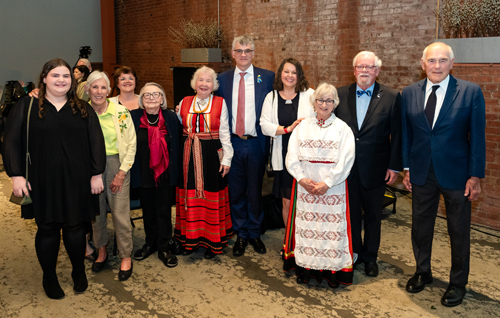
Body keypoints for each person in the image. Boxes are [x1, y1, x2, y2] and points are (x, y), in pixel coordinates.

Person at [2, 58, 106, 299]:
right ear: (45, 78)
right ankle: (49, 277)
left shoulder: (83, 107)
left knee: (75, 228)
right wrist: (16, 175)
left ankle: (78, 271)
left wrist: (96, 173)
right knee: (47, 229)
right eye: (56, 75)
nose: (61, 80)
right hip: (41, 180)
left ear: (72, 80)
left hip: (77, 180)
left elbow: (96, 142)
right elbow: (11, 141)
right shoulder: (26, 107)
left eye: (66, 76)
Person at [402, 42, 485, 307]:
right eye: (432, 61)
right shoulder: (409, 93)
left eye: (442, 61)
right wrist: (406, 168)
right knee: (420, 227)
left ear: (452, 63)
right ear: (423, 63)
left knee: (458, 231)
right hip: (421, 172)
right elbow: (407, 134)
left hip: (458, 174)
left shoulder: (470, 92)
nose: (436, 66)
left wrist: (475, 175)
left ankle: (458, 283)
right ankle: (422, 272)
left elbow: (477, 137)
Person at [335, 51, 402, 277]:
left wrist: (394, 166)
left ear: (377, 70)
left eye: (370, 67)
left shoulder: (392, 97)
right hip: (346, 170)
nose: (365, 70)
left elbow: (398, 135)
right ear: (354, 70)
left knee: (374, 216)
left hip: (376, 169)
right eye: (360, 66)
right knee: (351, 215)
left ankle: (370, 257)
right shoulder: (339, 95)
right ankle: (353, 253)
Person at [283, 83, 355, 288]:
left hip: (333, 188)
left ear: (335, 104)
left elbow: (346, 160)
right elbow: (292, 155)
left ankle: (330, 272)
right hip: (305, 187)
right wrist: (302, 178)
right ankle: (306, 269)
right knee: (307, 228)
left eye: (329, 100)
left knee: (330, 230)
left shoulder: (343, 129)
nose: (324, 104)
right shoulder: (302, 126)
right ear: (314, 103)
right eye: (320, 100)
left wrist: (328, 183)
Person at [217, 35, 274, 256]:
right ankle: (241, 233)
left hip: (256, 142)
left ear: (253, 53)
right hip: (232, 143)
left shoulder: (267, 77)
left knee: (255, 191)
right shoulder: (222, 79)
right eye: (239, 51)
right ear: (233, 54)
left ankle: (255, 232)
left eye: (247, 50)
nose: (243, 54)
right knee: (237, 191)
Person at [174, 66, 234, 259]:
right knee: (190, 196)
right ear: (194, 84)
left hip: (211, 156)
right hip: (188, 155)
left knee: (211, 196)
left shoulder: (220, 103)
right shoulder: (184, 102)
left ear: (213, 85)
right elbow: (177, 127)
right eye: (201, 80)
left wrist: (227, 159)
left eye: (208, 81)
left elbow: (225, 133)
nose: (204, 84)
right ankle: (189, 240)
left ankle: (212, 241)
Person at [85, 71, 137, 281]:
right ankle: (102, 249)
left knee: (120, 213)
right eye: (94, 87)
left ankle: (126, 256)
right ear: (88, 89)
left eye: (103, 87)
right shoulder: (82, 111)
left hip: (117, 164)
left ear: (109, 90)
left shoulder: (120, 112)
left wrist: (121, 173)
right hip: (90, 167)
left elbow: (131, 144)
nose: (99, 91)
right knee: (96, 212)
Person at [131, 83, 182, 267]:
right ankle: (150, 243)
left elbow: (178, 144)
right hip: (142, 172)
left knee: (163, 210)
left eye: (156, 94)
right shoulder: (133, 117)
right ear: (142, 100)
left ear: (162, 99)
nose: (151, 97)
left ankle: (164, 247)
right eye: (147, 95)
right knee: (148, 211)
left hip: (165, 174)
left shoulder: (171, 117)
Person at [260, 58, 315, 226]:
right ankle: (290, 243)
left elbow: (321, 119)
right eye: (286, 71)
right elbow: (264, 125)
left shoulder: (310, 95)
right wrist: (287, 129)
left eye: (294, 72)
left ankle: (306, 241)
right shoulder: (272, 97)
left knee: (306, 202)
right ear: (280, 74)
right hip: (283, 157)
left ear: (299, 76)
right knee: (287, 202)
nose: (290, 75)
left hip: (305, 158)